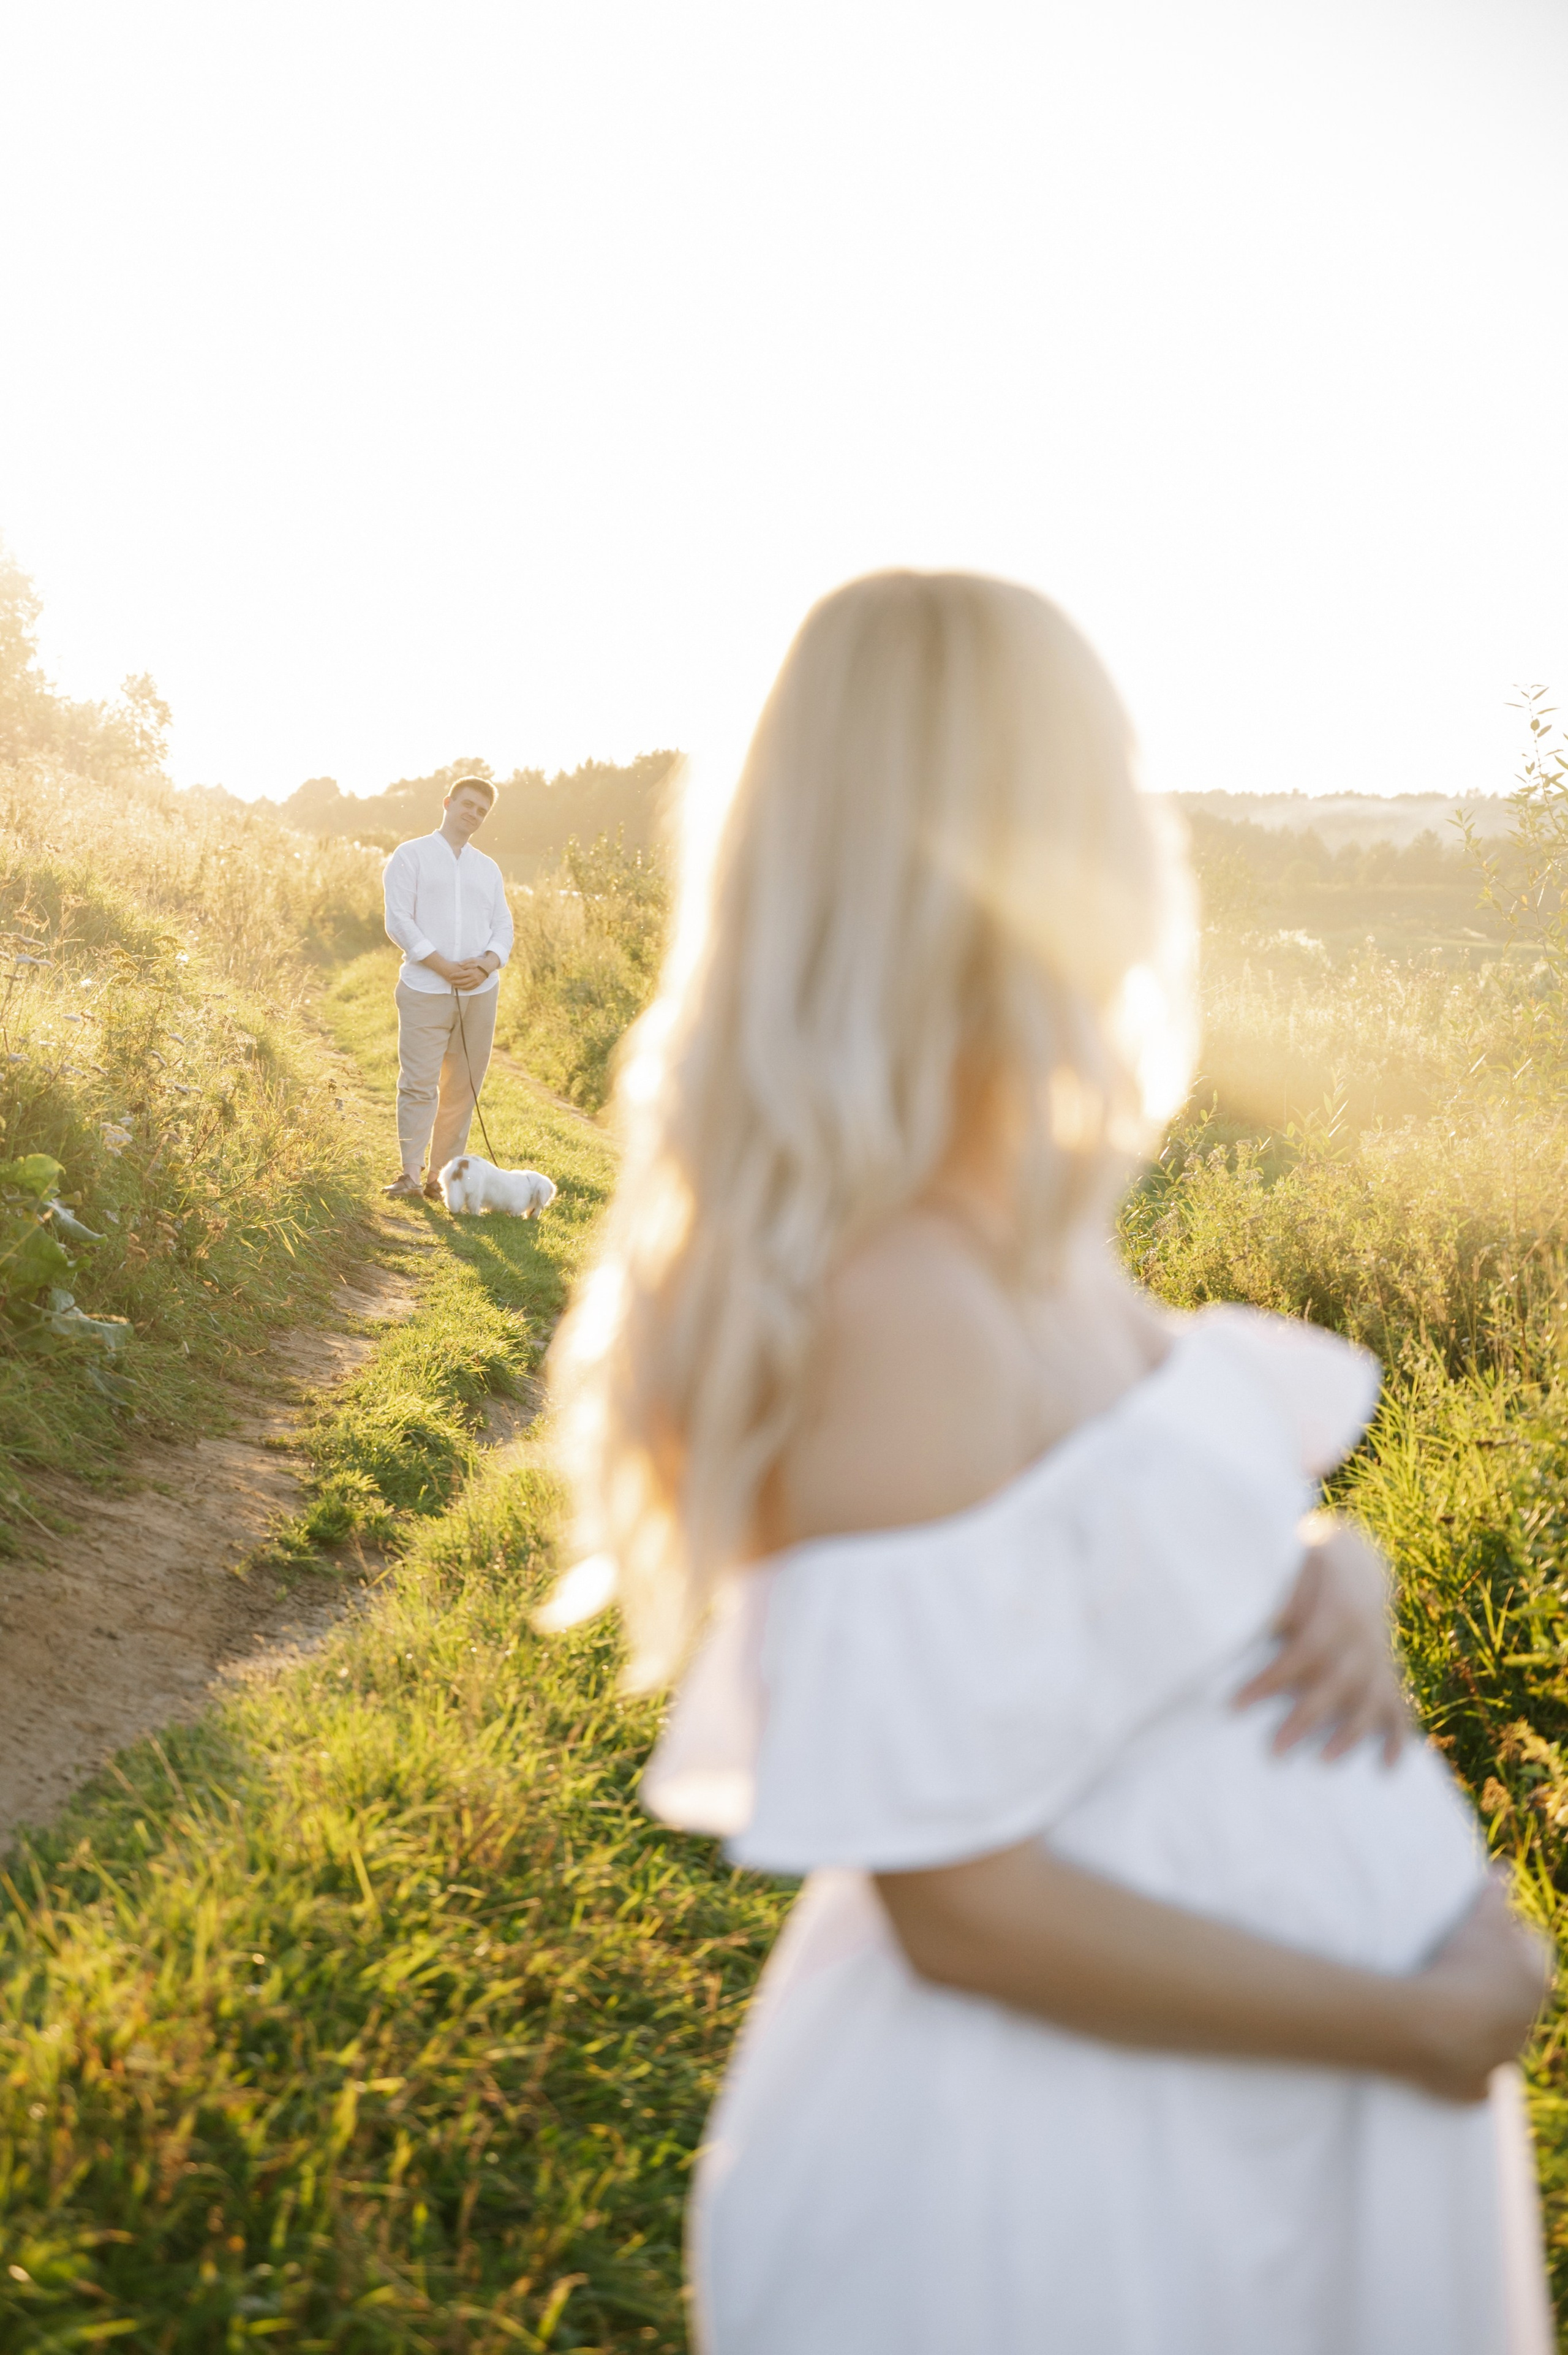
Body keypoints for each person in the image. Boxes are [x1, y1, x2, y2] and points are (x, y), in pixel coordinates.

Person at [544, 573, 1554, 2353]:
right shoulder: (894, 1297)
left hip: (1225, 2125)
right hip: (1069, 2180)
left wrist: (1326, 1567)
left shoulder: (1019, 1238)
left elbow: (1095, 1552)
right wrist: (1406, 2021)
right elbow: (967, 1907)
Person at [380, 773, 514, 1202]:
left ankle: (441, 1178)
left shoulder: (488, 868)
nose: (473, 814)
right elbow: (399, 919)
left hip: (480, 993)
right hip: (424, 988)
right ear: (448, 802)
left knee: (463, 1088)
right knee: (419, 1084)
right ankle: (410, 1175)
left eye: (482, 811)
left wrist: (487, 965)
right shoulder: (411, 855)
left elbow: (504, 926)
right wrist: (441, 965)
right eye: (468, 804)